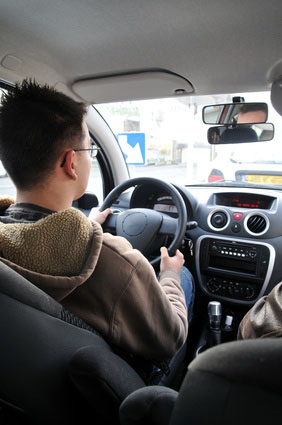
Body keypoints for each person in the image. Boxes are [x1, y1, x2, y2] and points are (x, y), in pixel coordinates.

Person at [0, 79, 194, 375]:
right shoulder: (113, 260)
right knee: (186, 279)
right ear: (71, 162)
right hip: (121, 395)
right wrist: (170, 274)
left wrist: (85, 226)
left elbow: (35, 244)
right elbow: (171, 338)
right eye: (89, 149)